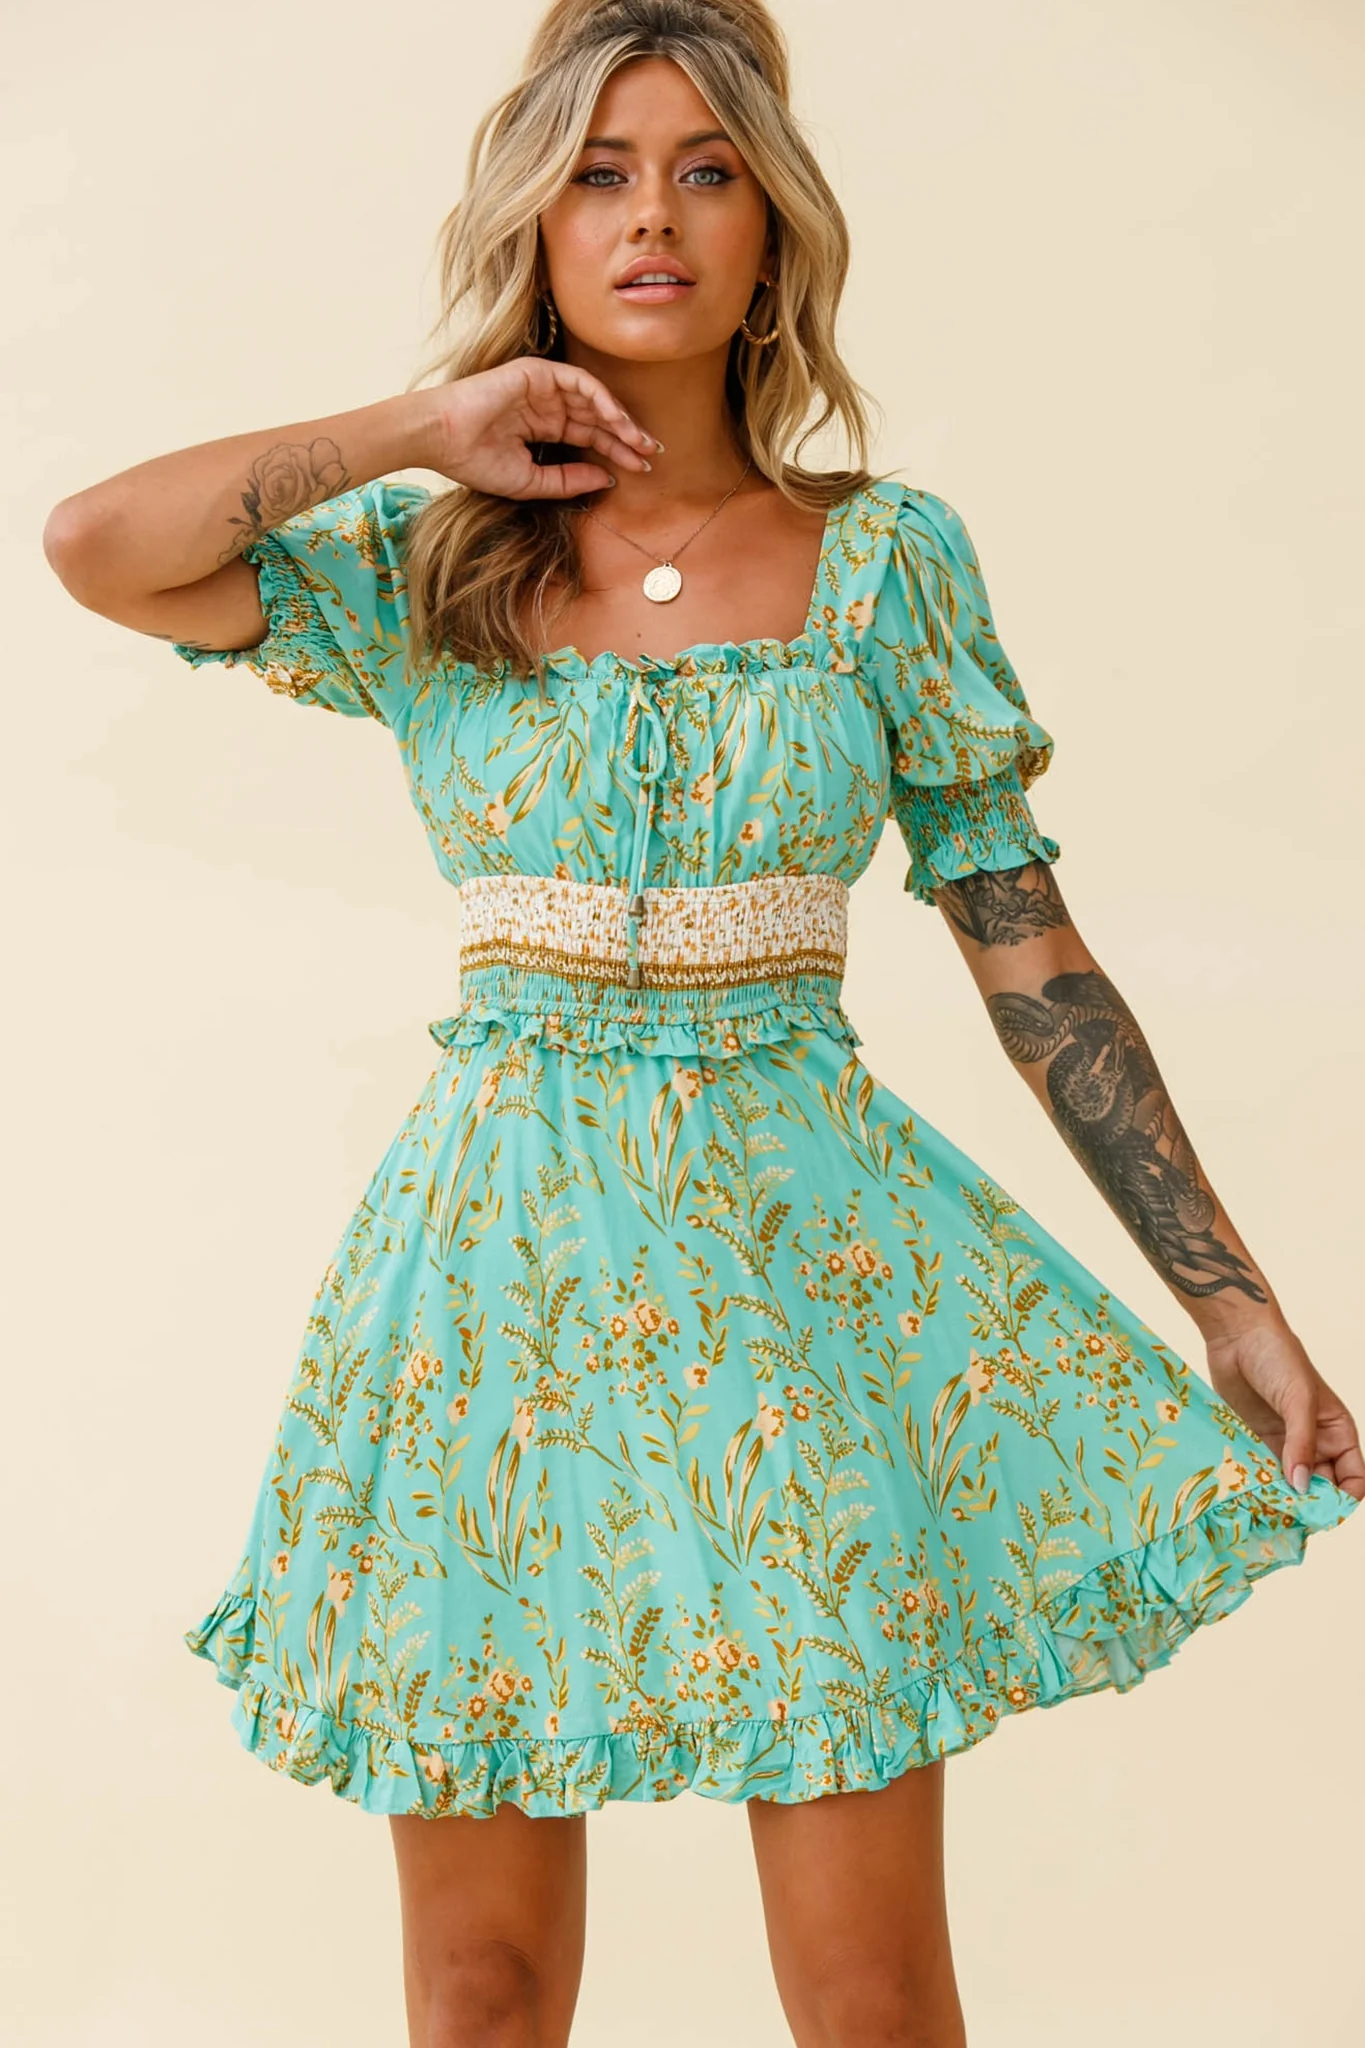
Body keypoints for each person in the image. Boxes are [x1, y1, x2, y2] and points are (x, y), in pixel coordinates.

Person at [43, 3, 1362, 2043]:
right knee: (481, 1994)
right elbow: (97, 548)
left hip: (800, 1294)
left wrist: (1230, 1299)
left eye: (705, 170)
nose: (650, 215)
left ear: (772, 234)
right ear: (537, 223)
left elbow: (1026, 944)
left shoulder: (883, 560)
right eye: (597, 172)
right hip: (491, 1313)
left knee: (869, 1993)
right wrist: (426, 424)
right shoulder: (429, 567)